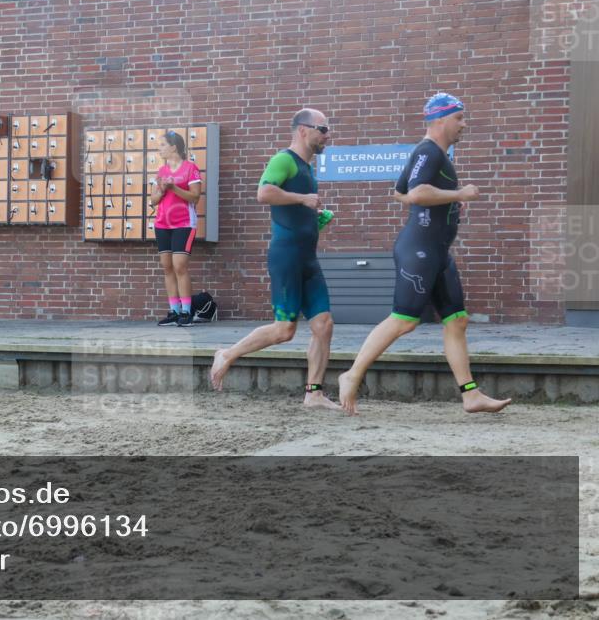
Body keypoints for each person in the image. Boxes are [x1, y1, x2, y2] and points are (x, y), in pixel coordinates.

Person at [338, 93, 511, 415]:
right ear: (442, 120)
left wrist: (445, 199)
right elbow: (416, 193)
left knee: (457, 320)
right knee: (403, 321)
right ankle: (352, 374)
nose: (464, 124)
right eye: (459, 118)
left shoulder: (431, 154)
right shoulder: (429, 152)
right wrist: (460, 193)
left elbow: (400, 192)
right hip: (419, 250)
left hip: (436, 251)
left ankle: (470, 395)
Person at [210, 109, 340, 410]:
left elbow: (292, 210)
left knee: (324, 324)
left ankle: (314, 393)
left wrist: (315, 216)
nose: (326, 135)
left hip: (307, 258)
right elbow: (264, 192)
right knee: (285, 330)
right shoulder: (284, 160)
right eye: (322, 129)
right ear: (303, 130)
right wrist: (302, 200)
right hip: (286, 257)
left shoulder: (308, 168)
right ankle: (227, 354)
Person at [149, 130, 203, 327]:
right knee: (167, 267)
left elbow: (195, 197)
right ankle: (174, 311)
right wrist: (162, 189)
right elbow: (153, 200)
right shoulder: (162, 171)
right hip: (162, 223)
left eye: (162, 145)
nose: (159, 149)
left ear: (173, 147)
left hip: (184, 223)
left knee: (180, 265)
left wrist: (174, 188)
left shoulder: (191, 168)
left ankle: (187, 312)